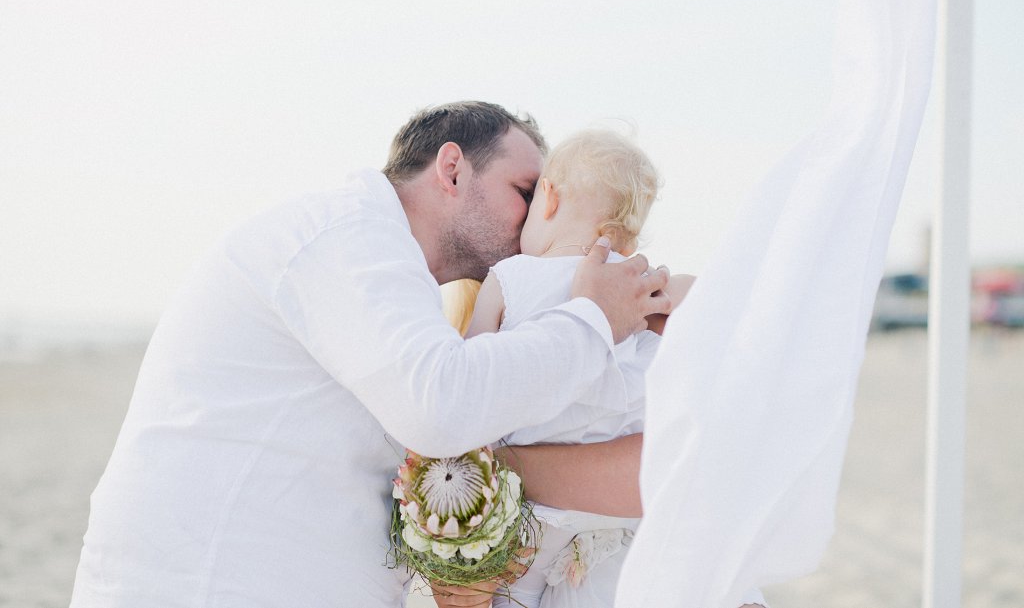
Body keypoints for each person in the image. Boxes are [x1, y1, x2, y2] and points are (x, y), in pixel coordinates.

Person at [69, 101, 672, 608]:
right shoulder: (345, 235)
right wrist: (593, 316)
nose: (534, 222)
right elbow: (440, 409)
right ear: (453, 169)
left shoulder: (395, 285)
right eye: (525, 191)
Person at [432, 131, 764, 608]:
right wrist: (675, 292)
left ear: (548, 198)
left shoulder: (510, 277)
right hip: (620, 513)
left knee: (513, 587)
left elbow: (470, 377)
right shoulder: (642, 287)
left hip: (533, 512)